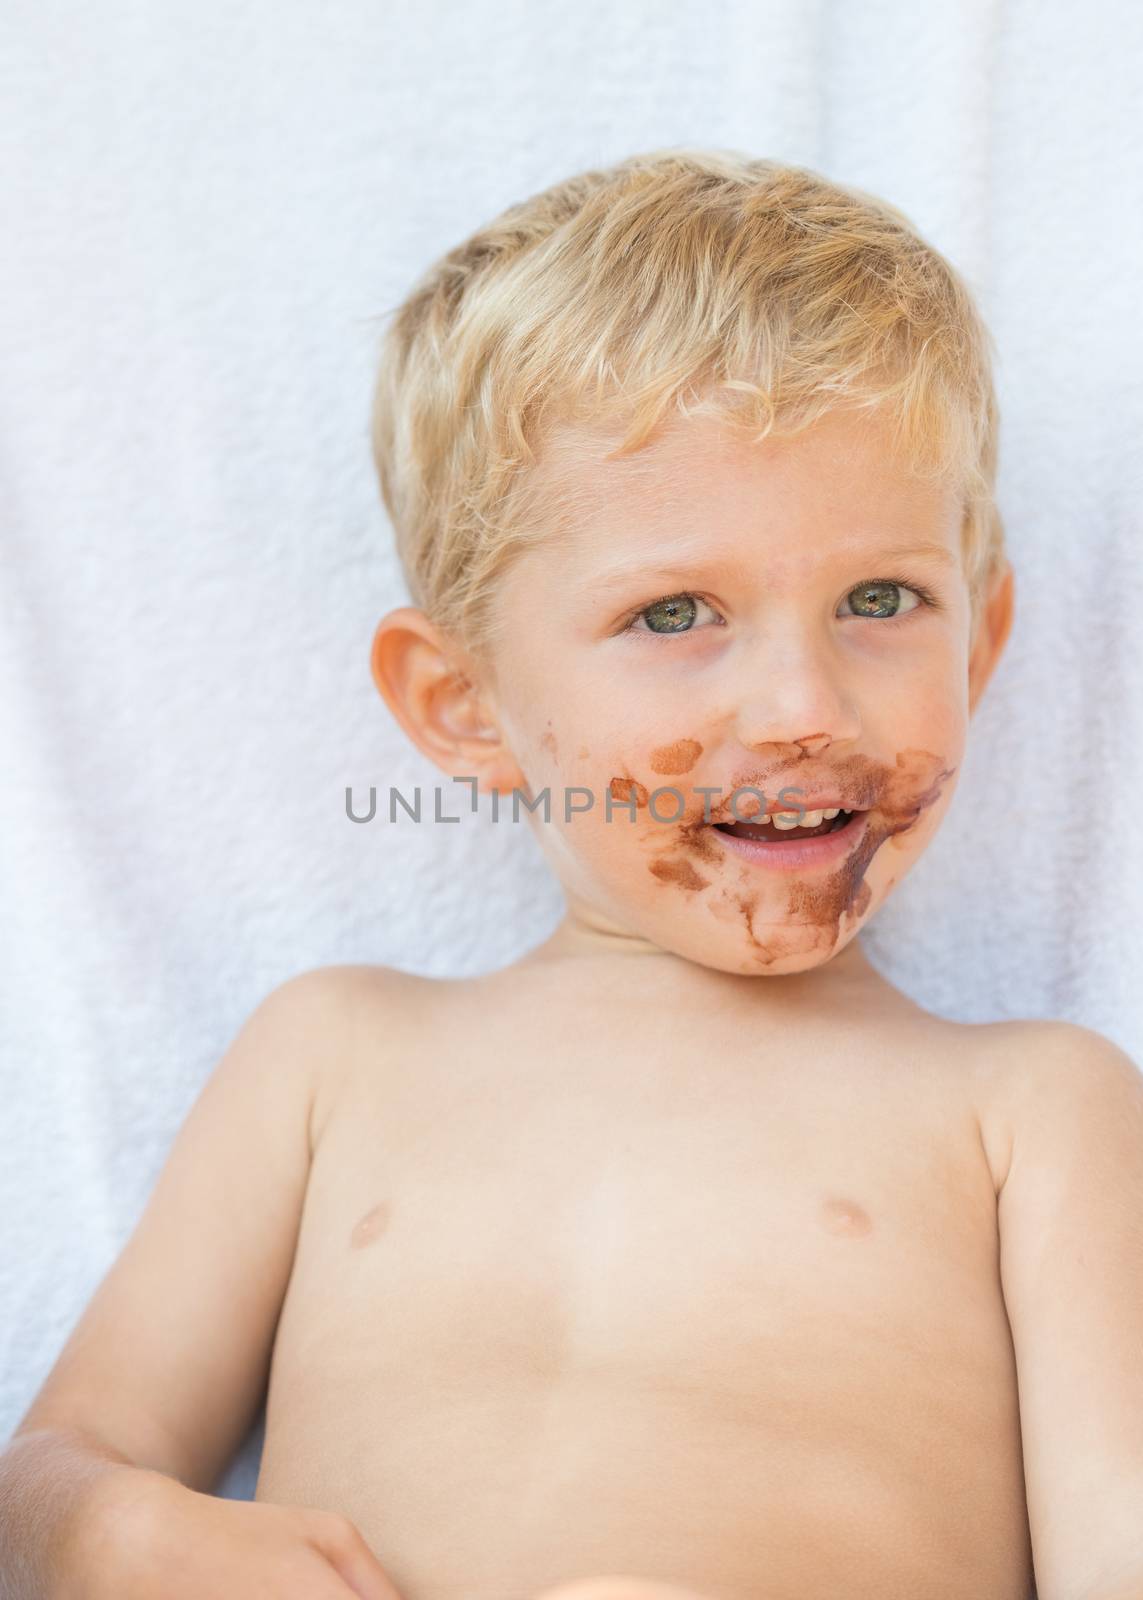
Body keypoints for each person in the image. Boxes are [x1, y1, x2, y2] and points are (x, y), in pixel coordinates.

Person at [3, 147, 1142, 1600]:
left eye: (881, 601)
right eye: (677, 611)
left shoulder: (1029, 1110)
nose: (803, 702)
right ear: (463, 707)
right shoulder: (334, 1054)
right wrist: (108, 1531)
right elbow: (61, 1460)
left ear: (979, 645)